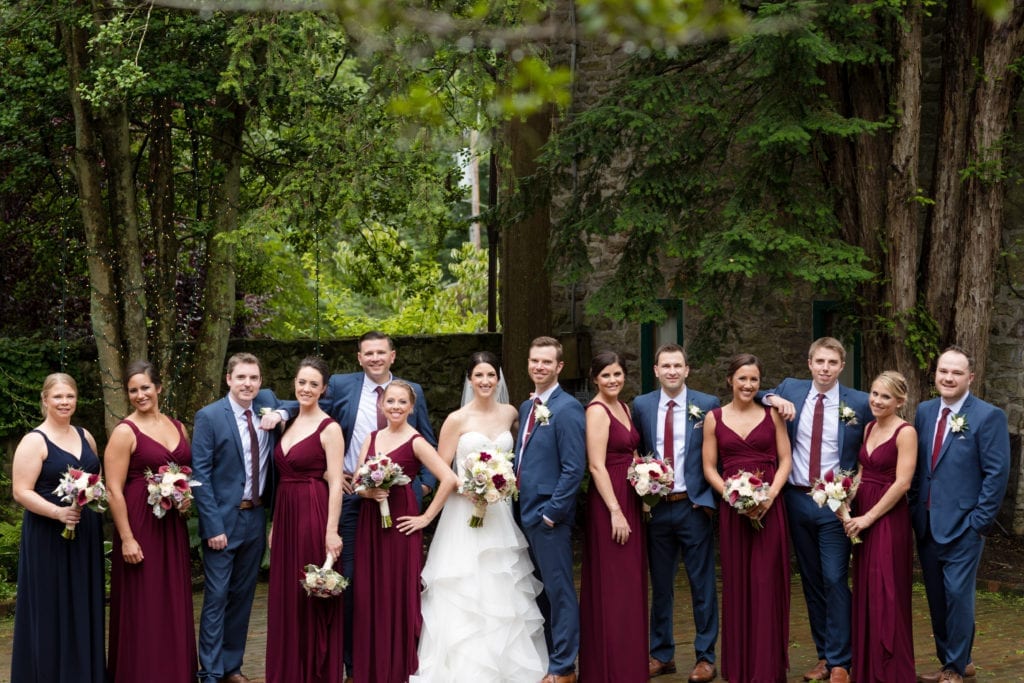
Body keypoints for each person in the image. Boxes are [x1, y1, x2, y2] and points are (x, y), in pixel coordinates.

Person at [277, 331, 437, 681]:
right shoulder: (343, 385)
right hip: (353, 495)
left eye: (381, 352)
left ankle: (394, 654)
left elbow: (425, 437)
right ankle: (353, 659)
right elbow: (308, 402)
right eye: (368, 353)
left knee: (395, 582)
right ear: (359, 357)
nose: (375, 358)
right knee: (353, 580)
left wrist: (423, 486)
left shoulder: (412, 392)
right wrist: (279, 410)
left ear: (392, 356)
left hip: (399, 502)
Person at [411, 351, 548, 681]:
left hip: (499, 513)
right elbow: (442, 469)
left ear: (498, 379)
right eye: (479, 376)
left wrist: (498, 484)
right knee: (464, 587)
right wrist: (467, 486)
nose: (485, 381)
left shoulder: (512, 412)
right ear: (469, 380)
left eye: (491, 375)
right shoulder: (457, 420)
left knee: (502, 584)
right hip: (463, 513)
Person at [761, 337, 870, 683]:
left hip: (835, 503)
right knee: (811, 580)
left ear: (841, 366)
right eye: (819, 361)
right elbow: (759, 392)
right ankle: (825, 655)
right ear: (809, 363)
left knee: (835, 578)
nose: (825, 368)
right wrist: (773, 397)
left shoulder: (860, 402)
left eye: (832, 363)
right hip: (795, 498)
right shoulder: (791, 389)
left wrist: (855, 492)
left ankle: (842, 661)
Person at [910, 347, 1010, 683]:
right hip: (926, 524)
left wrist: (978, 524)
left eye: (956, 373)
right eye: (943, 371)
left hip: (964, 527)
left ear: (970, 377)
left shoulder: (987, 416)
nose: (948, 378)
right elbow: (923, 468)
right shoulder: (924, 412)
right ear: (935, 374)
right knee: (937, 599)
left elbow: (996, 475)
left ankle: (955, 667)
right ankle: (954, 660)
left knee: (957, 596)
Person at [352, 380, 458, 683]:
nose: (396, 407)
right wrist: (368, 493)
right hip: (370, 523)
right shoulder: (371, 438)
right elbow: (359, 481)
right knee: (370, 591)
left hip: (401, 523)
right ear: (381, 405)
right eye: (391, 401)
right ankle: (372, 668)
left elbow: (448, 479)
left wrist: (425, 518)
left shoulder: (416, 441)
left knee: (399, 590)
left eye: (402, 402)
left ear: (411, 408)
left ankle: (399, 667)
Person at [193, 352, 283, 683]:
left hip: (256, 518)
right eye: (241, 377)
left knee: (244, 596)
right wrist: (212, 526)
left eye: (254, 378)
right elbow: (200, 475)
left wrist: (280, 412)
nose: (248, 384)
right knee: (217, 597)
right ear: (228, 379)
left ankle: (232, 666)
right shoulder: (209, 416)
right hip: (223, 521)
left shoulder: (268, 401)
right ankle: (210, 672)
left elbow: (300, 403)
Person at [105, 360, 198, 683]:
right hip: (140, 525)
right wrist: (127, 537)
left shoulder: (178, 426)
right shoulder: (124, 432)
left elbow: (186, 475)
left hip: (171, 526)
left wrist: (184, 498)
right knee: (144, 603)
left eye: (145, 387)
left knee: (171, 600)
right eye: (133, 390)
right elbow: (113, 490)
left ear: (159, 387)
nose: (140, 395)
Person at [10, 373, 105, 683]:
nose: (65, 402)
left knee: (82, 603)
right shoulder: (34, 440)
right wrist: (58, 512)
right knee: (51, 607)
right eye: (58, 397)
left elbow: (96, 479)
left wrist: (91, 495)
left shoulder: (86, 435)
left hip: (84, 532)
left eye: (70, 397)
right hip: (48, 535)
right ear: (45, 400)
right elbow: (21, 491)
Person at [703, 353, 792, 683]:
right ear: (730, 380)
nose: (748, 385)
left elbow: (785, 461)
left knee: (766, 583)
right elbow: (709, 467)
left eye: (754, 379)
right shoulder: (714, 418)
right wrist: (731, 495)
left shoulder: (772, 415)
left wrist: (768, 497)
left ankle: (767, 667)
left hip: (771, 507)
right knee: (738, 584)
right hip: (733, 510)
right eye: (742, 378)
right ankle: (740, 666)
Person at [633, 343, 720, 682]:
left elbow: (717, 455)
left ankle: (705, 657)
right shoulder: (641, 405)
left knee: (702, 585)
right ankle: (662, 653)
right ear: (656, 370)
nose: (671, 371)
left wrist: (709, 501)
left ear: (687, 370)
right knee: (662, 584)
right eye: (665, 366)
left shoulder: (707, 404)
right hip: (657, 509)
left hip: (693, 506)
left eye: (677, 366)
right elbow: (636, 451)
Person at [266, 357, 346, 683]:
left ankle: (315, 673)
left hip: (314, 513)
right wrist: (273, 525)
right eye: (302, 382)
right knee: (286, 597)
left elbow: (338, 482)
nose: (307, 389)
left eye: (314, 384)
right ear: (294, 385)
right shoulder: (287, 423)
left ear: (324, 389)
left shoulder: (330, 428)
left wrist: (331, 531)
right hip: (285, 516)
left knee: (310, 595)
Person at [514, 336, 587, 683]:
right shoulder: (528, 408)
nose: (539, 367)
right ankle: (547, 656)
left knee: (559, 592)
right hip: (522, 514)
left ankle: (564, 666)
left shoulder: (569, 407)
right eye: (534, 361)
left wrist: (551, 513)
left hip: (548, 518)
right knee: (539, 591)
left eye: (546, 362)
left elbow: (574, 468)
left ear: (559, 367)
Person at [578, 351, 648, 682]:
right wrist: (616, 511)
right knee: (613, 584)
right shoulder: (596, 410)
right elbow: (595, 465)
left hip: (630, 496)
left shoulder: (624, 406)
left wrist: (648, 487)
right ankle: (610, 668)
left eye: (617, 374)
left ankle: (630, 664)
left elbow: (631, 450)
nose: (613, 380)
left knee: (631, 583)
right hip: (610, 502)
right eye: (606, 375)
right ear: (595, 378)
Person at [843, 371, 916, 683]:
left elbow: (902, 483)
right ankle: (869, 668)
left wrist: (868, 518)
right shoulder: (870, 426)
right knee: (867, 591)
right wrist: (844, 500)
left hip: (887, 518)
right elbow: (863, 472)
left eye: (886, 396)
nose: (877, 400)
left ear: (900, 401)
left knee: (886, 591)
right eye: (874, 393)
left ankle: (892, 671)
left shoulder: (905, 432)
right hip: (862, 512)